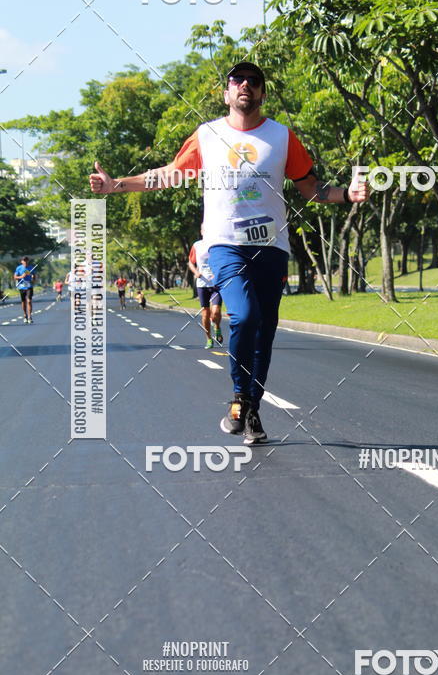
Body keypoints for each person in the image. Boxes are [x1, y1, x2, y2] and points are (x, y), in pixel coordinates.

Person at [89, 60, 368, 444]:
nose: (246, 86)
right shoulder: (207, 135)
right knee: (245, 315)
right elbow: (169, 175)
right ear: (226, 92)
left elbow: (311, 189)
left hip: (271, 247)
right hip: (224, 245)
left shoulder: (283, 138)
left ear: (262, 93)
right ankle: (239, 394)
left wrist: (347, 195)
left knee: (265, 332)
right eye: (238, 80)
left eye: (254, 81)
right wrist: (115, 184)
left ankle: (252, 409)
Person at [188, 230, 224, 349]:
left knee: (216, 312)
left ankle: (217, 327)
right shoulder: (197, 245)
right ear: (202, 231)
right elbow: (190, 263)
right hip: (202, 283)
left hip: (216, 284)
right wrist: (195, 272)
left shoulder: (219, 243)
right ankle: (208, 339)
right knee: (205, 314)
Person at [14, 256, 36, 323]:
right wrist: (21, 276)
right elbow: (15, 277)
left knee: (29, 301)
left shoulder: (31, 268)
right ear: (21, 261)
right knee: (23, 302)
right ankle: (25, 315)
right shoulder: (19, 268)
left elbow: (34, 277)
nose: (25, 261)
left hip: (29, 286)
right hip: (21, 286)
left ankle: (29, 316)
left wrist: (33, 277)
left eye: (26, 260)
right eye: (24, 260)